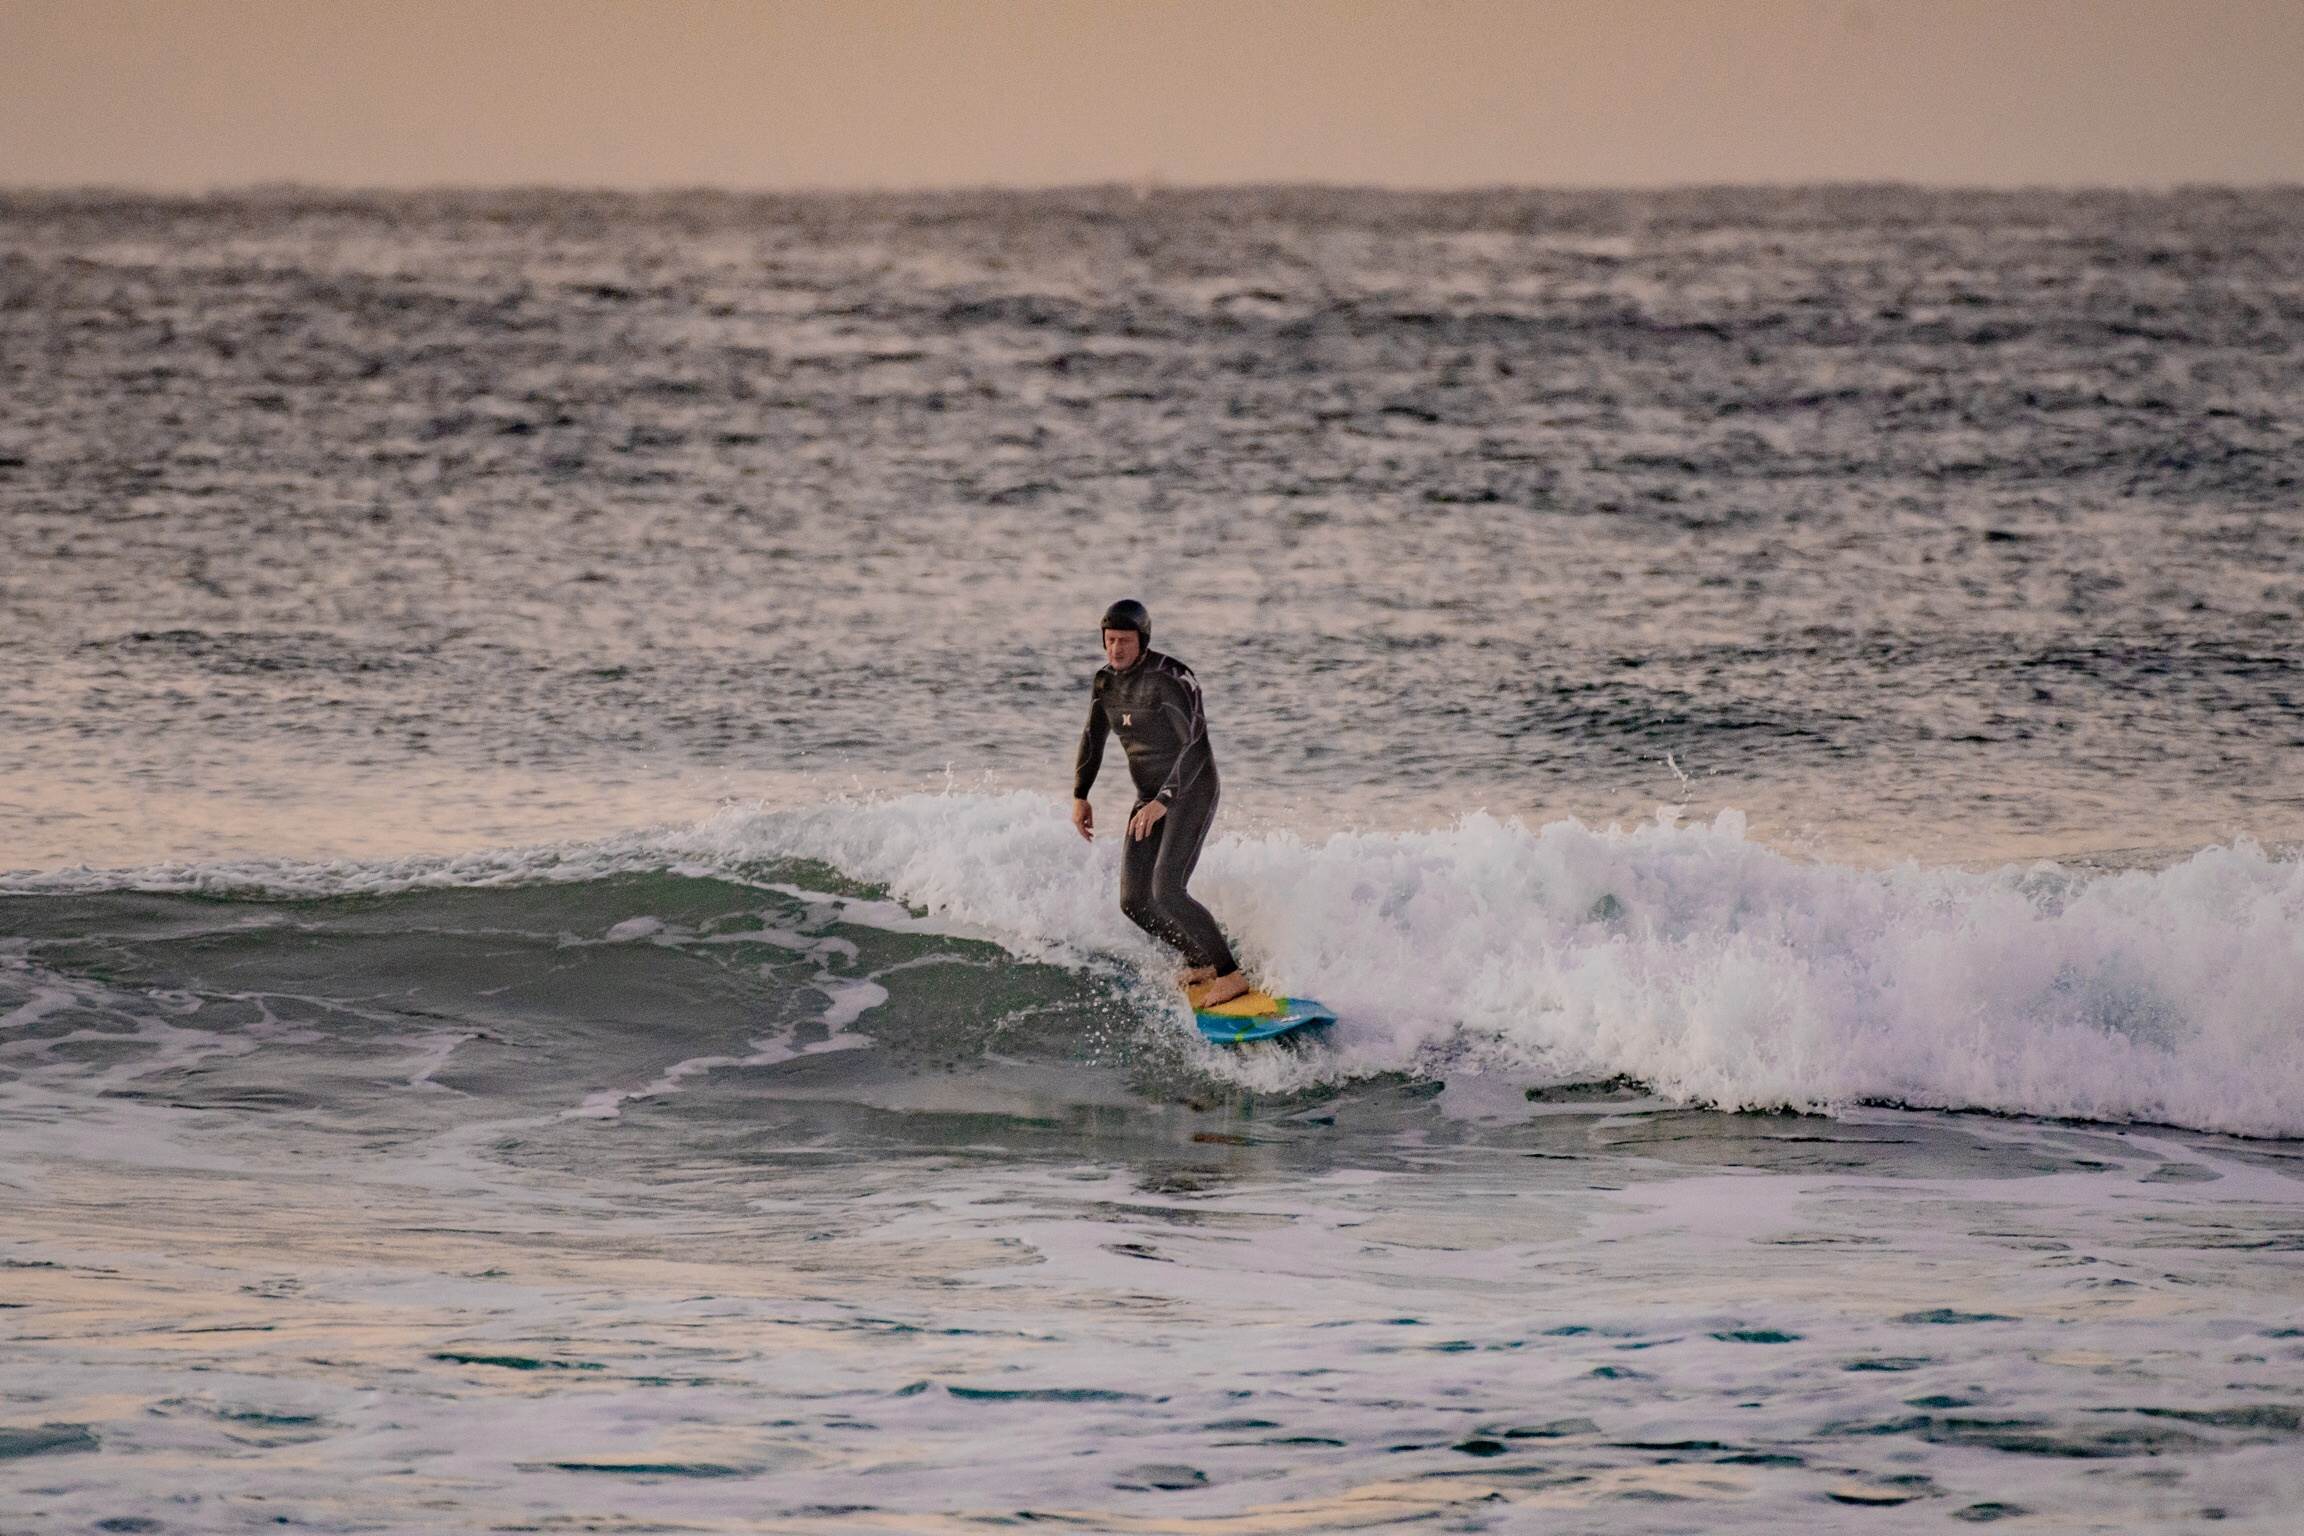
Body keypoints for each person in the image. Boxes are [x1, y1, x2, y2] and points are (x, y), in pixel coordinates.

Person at [1070, 599, 1251, 1008]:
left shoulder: (1171, 679)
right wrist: (1081, 795)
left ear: (1143, 640)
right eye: (1109, 640)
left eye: (1125, 641)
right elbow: (1092, 738)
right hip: (1148, 798)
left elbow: (1196, 744)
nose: (1116, 649)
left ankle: (1231, 974)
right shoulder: (1105, 683)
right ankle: (1202, 960)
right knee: (1134, 901)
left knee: (1167, 889)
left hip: (1190, 791)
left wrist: (1164, 800)